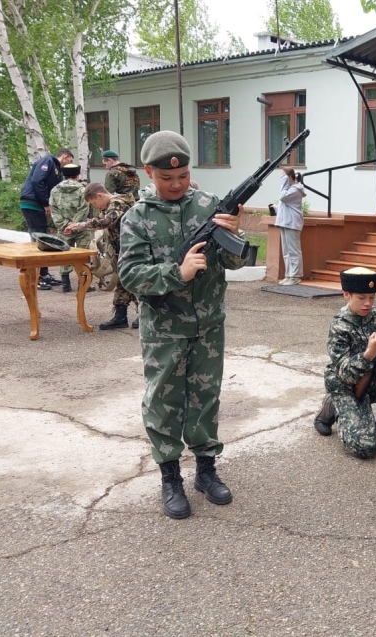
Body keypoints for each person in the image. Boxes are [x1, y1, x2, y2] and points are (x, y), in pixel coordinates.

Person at [117, 130, 246, 520]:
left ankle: (206, 471)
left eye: (184, 176)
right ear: (148, 172)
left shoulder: (209, 206)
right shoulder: (136, 217)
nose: (176, 184)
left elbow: (236, 263)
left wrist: (236, 234)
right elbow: (130, 275)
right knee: (163, 403)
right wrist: (178, 272)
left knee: (206, 398)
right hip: (164, 329)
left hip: (208, 325)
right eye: (167, 178)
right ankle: (170, 477)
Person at [313, 267, 376, 459]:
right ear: (346, 294)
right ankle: (332, 405)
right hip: (345, 385)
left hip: (373, 379)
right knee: (366, 447)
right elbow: (343, 372)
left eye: (372, 297)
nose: (368, 303)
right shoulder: (339, 325)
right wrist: (369, 354)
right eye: (361, 298)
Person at [65, 183, 138, 330]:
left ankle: (145, 314)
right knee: (122, 281)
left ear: (100, 195)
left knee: (135, 281)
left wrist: (81, 225)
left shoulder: (117, 203)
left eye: (94, 202)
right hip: (121, 250)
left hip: (133, 249)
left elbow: (105, 222)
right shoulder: (109, 206)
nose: (96, 206)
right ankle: (120, 316)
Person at [19, 147, 74, 290]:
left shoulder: (56, 167)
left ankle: (44, 274)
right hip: (32, 204)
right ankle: (36, 277)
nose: (69, 163)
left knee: (42, 237)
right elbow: (37, 181)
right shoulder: (48, 160)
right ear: (65, 156)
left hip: (37, 205)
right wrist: (45, 203)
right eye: (70, 160)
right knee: (38, 240)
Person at [49, 164, 94, 293]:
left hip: (63, 230)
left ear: (64, 174)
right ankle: (83, 283)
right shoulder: (82, 190)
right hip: (80, 228)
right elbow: (84, 209)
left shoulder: (55, 190)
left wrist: (64, 225)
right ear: (77, 175)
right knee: (82, 255)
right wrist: (74, 225)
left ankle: (65, 284)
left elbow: (54, 209)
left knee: (64, 255)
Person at [274, 167, 306, 285]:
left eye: (282, 177)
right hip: (284, 222)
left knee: (294, 250)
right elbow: (285, 204)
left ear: (288, 177)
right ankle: (289, 274)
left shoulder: (296, 190)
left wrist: (284, 182)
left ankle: (295, 276)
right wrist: (276, 208)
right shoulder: (288, 190)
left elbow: (283, 197)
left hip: (292, 223)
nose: (281, 179)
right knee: (286, 251)